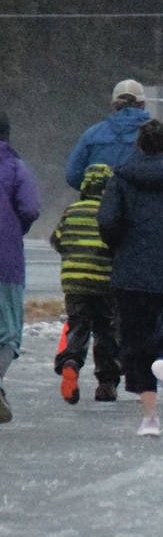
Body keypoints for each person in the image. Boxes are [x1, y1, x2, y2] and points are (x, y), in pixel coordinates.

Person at [96, 119, 163, 436]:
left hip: (131, 273)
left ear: (138, 145)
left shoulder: (121, 178)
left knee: (137, 344)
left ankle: (150, 418)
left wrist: (118, 246)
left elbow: (106, 220)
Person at [49, 163, 121, 404]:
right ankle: (106, 383)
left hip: (75, 283)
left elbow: (57, 240)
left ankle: (70, 362)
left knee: (78, 325)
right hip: (104, 282)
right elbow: (119, 246)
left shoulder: (71, 211)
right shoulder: (110, 214)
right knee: (105, 330)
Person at [0, 111, 42, 424]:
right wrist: (15, 228)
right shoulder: (15, 167)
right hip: (5, 259)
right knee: (7, 332)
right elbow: (30, 208)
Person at [64, 79, 150, 190]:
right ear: (142, 105)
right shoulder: (154, 134)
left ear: (113, 105)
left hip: (99, 202)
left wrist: (92, 188)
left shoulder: (92, 134)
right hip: (138, 203)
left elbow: (72, 175)